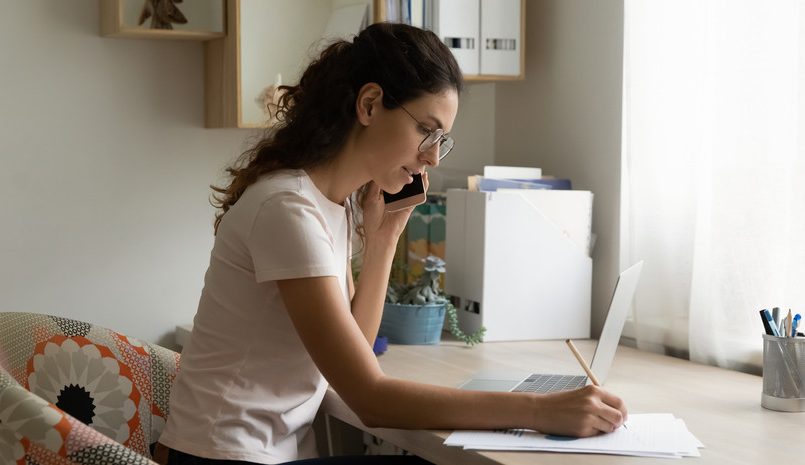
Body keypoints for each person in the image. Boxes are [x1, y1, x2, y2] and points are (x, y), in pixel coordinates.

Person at [158, 22, 627, 465]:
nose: (431, 157)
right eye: (426, 129)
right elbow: (368, 398)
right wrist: (539, 411)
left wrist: (383, 241)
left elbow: (353, 356)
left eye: (441, 139)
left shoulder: (331, 206)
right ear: (369, 105)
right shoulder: (288, 210)